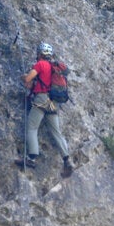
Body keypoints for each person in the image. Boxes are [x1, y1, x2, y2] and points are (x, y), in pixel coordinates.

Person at [18, 42, 73, 172]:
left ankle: (31, 158)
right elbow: (36, 84)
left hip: (41, 99)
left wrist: (24, 77)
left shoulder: (40, 64)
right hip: (53, 102)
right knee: (56, 131)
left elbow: (28, 79)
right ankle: (66, 159)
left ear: (40, 53)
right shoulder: (53, 67)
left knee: (32, 127)